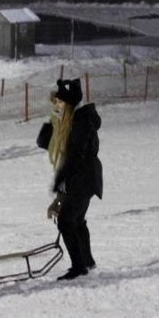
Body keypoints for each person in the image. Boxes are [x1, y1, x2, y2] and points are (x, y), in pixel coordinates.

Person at [45, 78, 103, 281]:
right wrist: (60, 196)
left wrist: (59, 184)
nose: (57, 107)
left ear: (69, 104)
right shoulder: (71, 122)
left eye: (60, 103)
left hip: (84, 179)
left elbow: (75, 158)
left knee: (66, 221)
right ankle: (86, 262)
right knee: (75, 220)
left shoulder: (80, 123)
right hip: (81, 180)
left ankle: (79, 266)